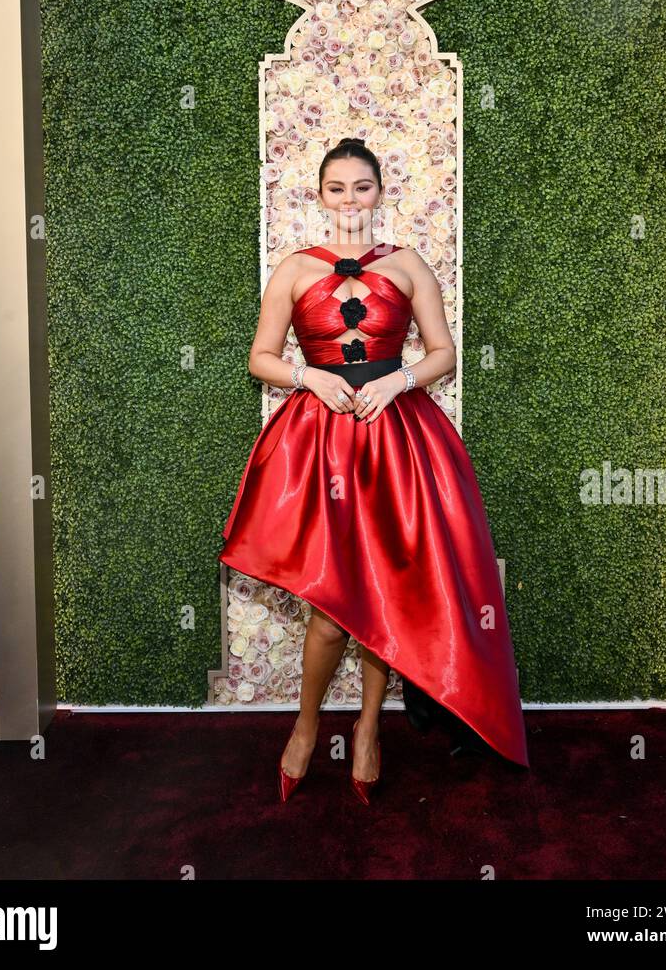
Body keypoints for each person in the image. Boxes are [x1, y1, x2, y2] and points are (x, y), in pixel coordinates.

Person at [218, 137, 530, 801]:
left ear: (379, 192)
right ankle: (305, 728)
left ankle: (367, 730)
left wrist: (401, 381)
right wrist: (310, 378)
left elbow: (443, 350)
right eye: (338, 188)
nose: (351, 199)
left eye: (363, 187)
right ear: (320, 194)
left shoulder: (409, 264)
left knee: (386, 595)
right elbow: (260, 357)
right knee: (333, 605)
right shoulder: (294, 268)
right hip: (321, 445)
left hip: (397, 442)